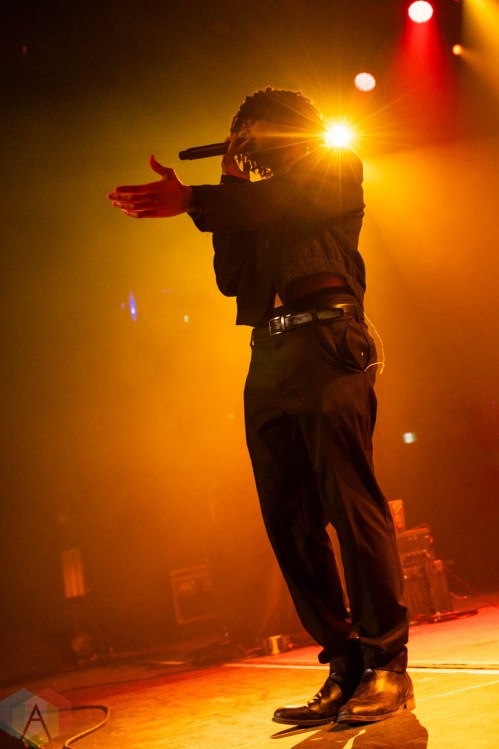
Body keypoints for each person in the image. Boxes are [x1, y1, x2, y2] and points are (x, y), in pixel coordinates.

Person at [108, 87, 413, 725]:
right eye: (238, 132)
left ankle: (387, 666)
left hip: (329, 343)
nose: (244, 140)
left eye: (252, 129)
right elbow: (233, 280)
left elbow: (281, 202)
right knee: (288, 520)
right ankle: (344, 664)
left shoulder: (334, 166)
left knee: (349, 504)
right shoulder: (252, 200)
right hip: (269, 354)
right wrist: (224, 184)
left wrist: (198, 199)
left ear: (288, 127)